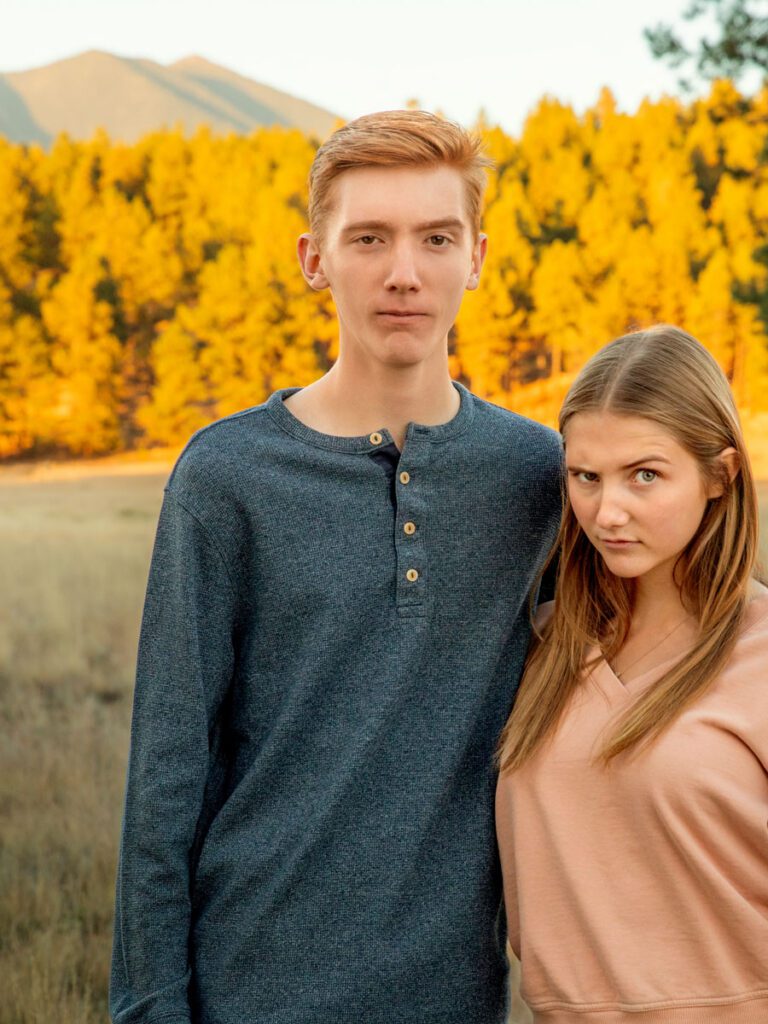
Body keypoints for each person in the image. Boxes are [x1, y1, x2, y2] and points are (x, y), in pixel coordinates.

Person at [110, 110, 563, 1024]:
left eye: (436, 237)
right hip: (250, 986)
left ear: (477, 256)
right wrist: (149, 1006)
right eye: (369, 238)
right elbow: (167, 773)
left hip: (456, 996)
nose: (404, 271)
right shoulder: (226, 475)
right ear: (313, 258)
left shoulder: (539, 476)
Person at [495, 325, 768, 1023]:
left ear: (720, 473)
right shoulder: (545, 648)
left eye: (645, 474)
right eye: (586, 477)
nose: (607, 512)